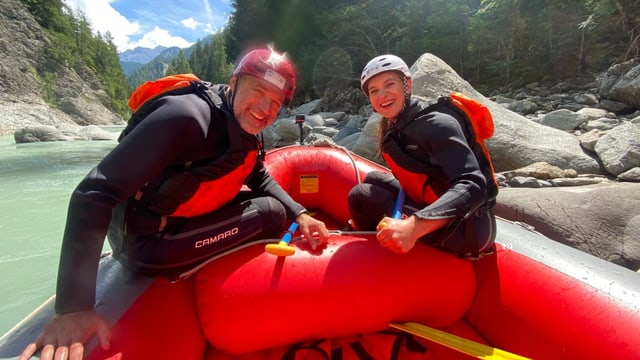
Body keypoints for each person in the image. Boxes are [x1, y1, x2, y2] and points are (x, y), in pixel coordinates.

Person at [19, 46, 329, 360]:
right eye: (258, 91)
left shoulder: (245, 123)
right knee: (270, 213)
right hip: (149, 243)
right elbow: (94, 193)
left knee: (277, 208)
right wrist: (74, 307)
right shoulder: (186, 119)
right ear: (234, 84)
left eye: (276, 102)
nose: (265, 108)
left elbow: (257, 173)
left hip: (182, 216)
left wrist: (300, 213)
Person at [347, 54, 498, 258]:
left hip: (468, 229)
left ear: (407, 84)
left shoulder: (437, 124)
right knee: (373, 179)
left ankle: (379, 254)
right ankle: (384, 236)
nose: (382, 95)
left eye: (389, 84)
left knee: (360, 195)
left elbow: (474, 185)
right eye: (374, 91)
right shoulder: (401, 125)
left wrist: (413, 226)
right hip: (439, 202)